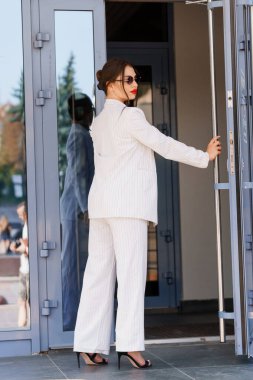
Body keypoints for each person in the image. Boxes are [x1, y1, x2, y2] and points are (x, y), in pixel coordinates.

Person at [73, 57, 221, 369]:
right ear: (112, 84)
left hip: (101, 207)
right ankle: (129, 346)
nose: (134, 84)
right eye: (128, 79)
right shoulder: (132, 116)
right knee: (130, 277)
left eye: (135, 78)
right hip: (127, 208)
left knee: (97, 276)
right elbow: (163, 144)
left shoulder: (97, 122)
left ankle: (88, 345)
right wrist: (203, 156)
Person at [60, 93, 94, 331]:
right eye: (90, 110)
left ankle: (74, 319)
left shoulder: (81, 135)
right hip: (76, 210)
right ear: (82, 113)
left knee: (77, 265)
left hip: (77, 208)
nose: (93, 114)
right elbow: (80, 175)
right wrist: (86, 208)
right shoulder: (78, 136)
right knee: (71, 265)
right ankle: (68, 321)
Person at [10, 202, 29, 327]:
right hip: (24, 269)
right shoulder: (25, 227)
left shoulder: (30, 227)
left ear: (26, 214)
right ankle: (21, 327)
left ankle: (29, 328)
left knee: (28, 301)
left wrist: (17, 248)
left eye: (20, 215)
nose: (19, 218)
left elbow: (28, 249)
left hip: (28, 271)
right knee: (21, 301)